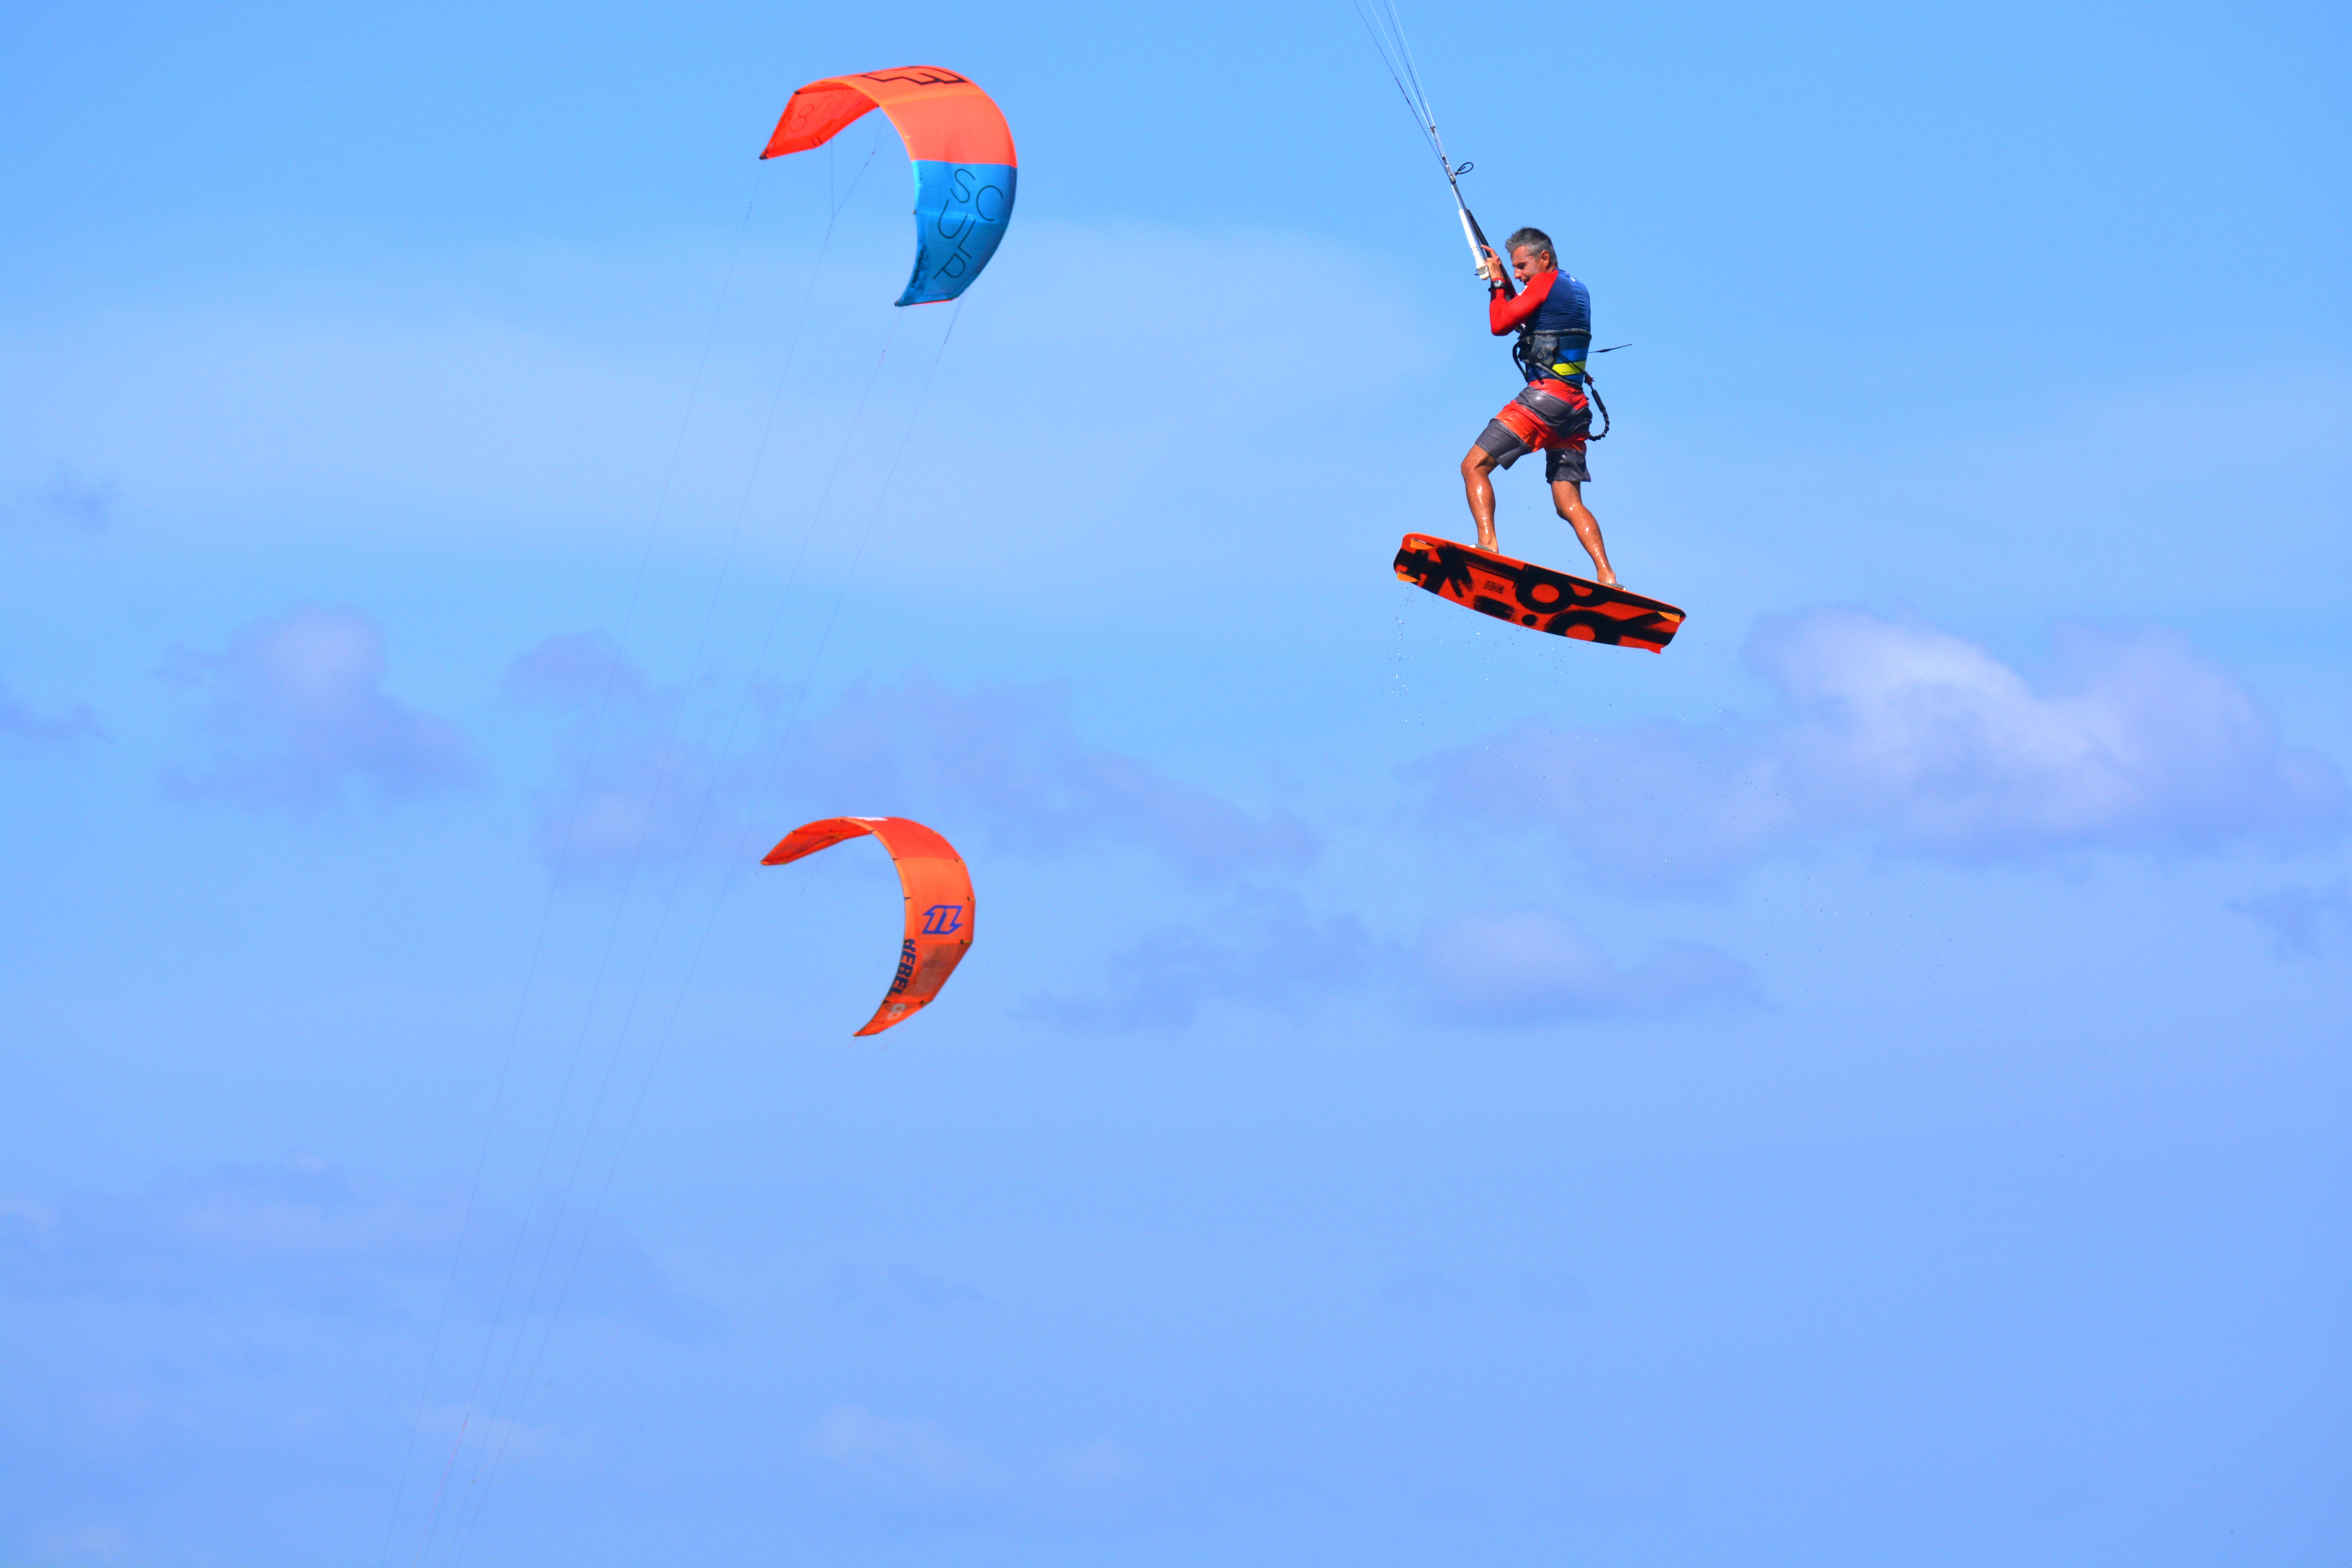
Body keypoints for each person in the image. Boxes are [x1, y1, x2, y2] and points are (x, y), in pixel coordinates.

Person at [1460, 227, 1615, 584]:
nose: (1518, 274)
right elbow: (1533, 317)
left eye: (1522, 266)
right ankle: (1607, 575)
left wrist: (1498, 287)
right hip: (1576, 413)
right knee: (1568, 503)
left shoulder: (1544, 283)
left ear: (1544, 258)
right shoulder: (1576, 288)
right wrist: (1502, 278)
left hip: (1546, 402)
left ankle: (1488, 545)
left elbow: (1501, 324)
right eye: (1514, 269)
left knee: (1473, 467)